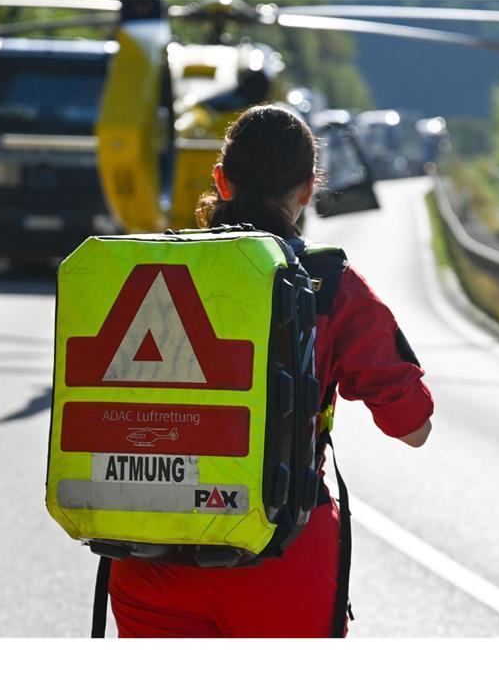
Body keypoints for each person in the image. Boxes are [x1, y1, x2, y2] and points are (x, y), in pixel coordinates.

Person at [106, 104, 434, 637]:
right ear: (308, 190)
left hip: (150, 557)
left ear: (221, 180)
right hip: (280, 559)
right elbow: (412, 426)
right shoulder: (328, 285)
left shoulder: (154, 274)